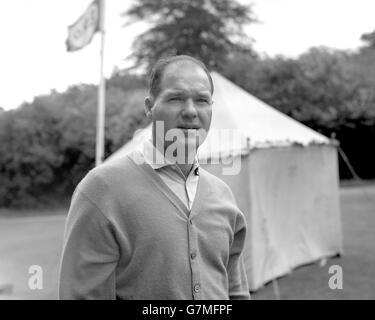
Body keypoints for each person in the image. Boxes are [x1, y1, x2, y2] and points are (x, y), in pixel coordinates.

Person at [58, 55, 250, 300]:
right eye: (175, 98)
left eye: (202, 100)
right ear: (149, 107)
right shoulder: (101, 190)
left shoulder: (223, 195)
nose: (191, 111)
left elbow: (236, 292)